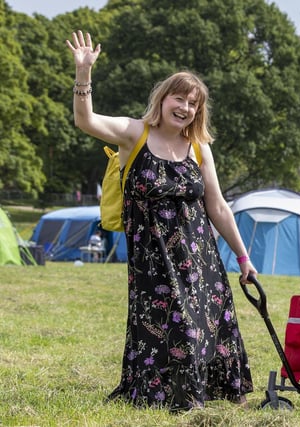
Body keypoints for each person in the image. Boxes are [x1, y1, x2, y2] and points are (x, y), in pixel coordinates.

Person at [66, 31, 257, 411]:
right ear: (163, 98)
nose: (184, 107)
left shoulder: (199, 147)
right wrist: (84, 74)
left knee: (204, 323)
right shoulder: (134, 134)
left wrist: (243, 258)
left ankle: (206, 395)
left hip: (199, 256)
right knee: (167, 323)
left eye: (192, 103)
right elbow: (85, 120)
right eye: (179, 98)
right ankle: (170, 396)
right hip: (152, 259)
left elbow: (217, 205)